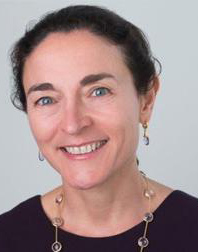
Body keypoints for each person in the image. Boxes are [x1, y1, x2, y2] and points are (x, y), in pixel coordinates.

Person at [0, 5, 197, 252]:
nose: (72, 124)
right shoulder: (7, 236)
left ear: (146, 100)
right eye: (46, 99)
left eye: (99, 91)